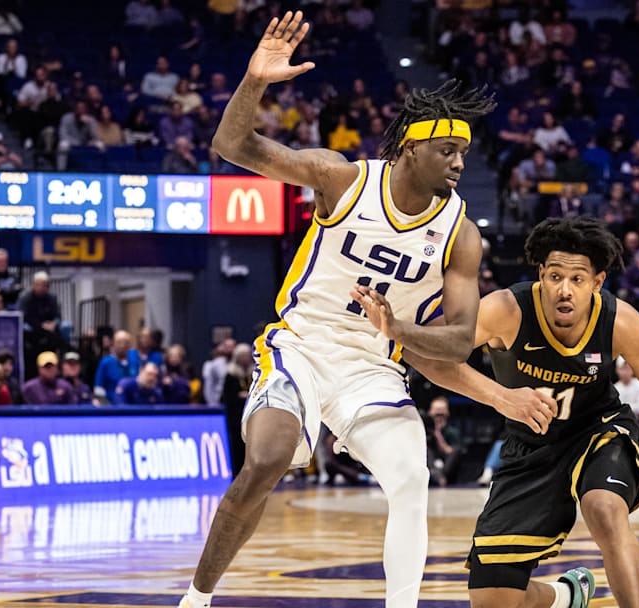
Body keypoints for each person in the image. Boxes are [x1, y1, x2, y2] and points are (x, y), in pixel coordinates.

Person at [179, 12, 495, 608]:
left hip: (372, 365)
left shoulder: (462, 234)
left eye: (464, 154)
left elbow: (458, 340)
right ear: (411, 145)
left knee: (411, 477)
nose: (459, 164)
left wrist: (396, 327)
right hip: (300, 344)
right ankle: (195, 600)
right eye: (448, 150)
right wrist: (254, 82)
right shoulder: (340, 178)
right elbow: (231, 146)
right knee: (267, 461)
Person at [406, 217, 639, 608]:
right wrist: (501, 397)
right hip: (529, 445)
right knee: (494, 598)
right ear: (541, 274)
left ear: (597, 282)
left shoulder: (619, 320)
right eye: (556, 276)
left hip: (599, 430)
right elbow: (425, 353)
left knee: (605, 509)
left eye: (577, 280)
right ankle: (565, 596)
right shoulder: (506, 310)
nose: (565, 290)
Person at [219, 343, 253, 474]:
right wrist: (240, 397)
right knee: (237, 447)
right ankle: (238, 473)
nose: (245, 359)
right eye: (242, 356)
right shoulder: (231, 375)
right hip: (237, 418)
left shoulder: (254, 373)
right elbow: (227, 397)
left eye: (247, 356)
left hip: (252, 417)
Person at [94, 330, 134, 400]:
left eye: (125, 342)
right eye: (119, 342)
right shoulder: (106, 362)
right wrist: (105, 407)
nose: (122, 345)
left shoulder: (134, 361)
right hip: (111, 407)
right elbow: (98, 389)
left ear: (130, 345)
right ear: (113, 343)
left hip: (132, 407)